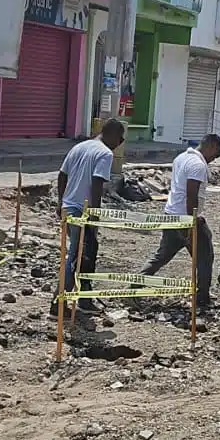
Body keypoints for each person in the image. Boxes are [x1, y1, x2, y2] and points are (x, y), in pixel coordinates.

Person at [142, 133, 220, 309]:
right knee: (204, 256)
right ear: (211, 146)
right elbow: (191, 195)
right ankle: (201, 297)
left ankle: (134, 285)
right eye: (216, 154)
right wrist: (191, 224)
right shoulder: (198, 165)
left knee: (162, 255)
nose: (214, 159)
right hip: (185, 217)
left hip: (171, 214)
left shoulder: (181, 157)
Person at [57, 119, 125, 313]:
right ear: (112, 134)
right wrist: (94, 215)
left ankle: (85, 298)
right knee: (77, 257)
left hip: (68, 208)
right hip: (81, 211)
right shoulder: (104, 153)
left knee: (88, 252)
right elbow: (97, 183)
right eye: (119, 140)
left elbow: (62, 175)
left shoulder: (80, 147)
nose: (119, 144)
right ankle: (58, 304)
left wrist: (60, 202)